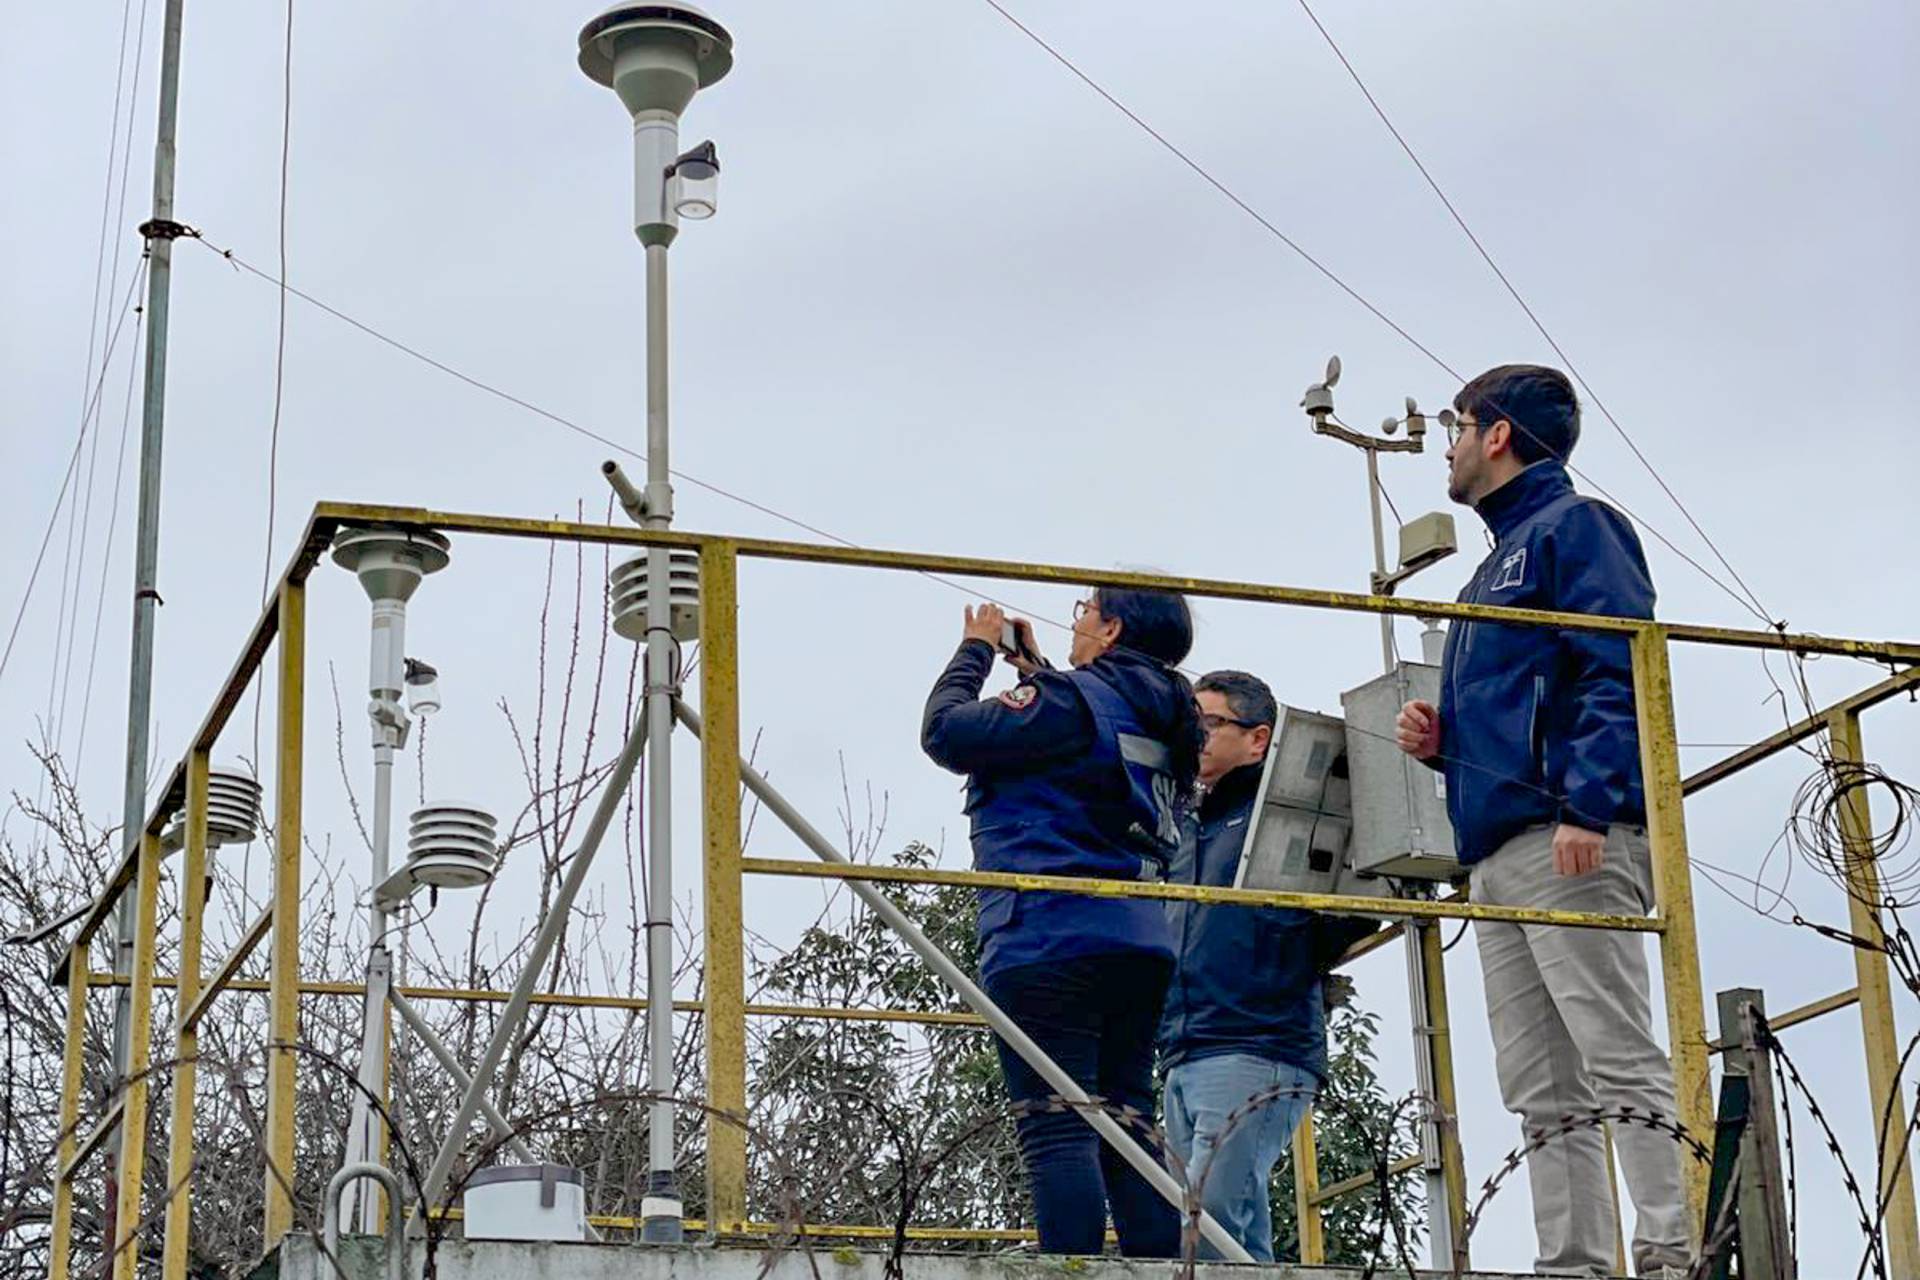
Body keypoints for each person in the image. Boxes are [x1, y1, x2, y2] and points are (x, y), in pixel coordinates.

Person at [1394, 364, 1690, 1278]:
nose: (1444, 444)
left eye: (1456, 425)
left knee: (1614, 1055)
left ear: (1497, 434)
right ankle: (1575, 1263)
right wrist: (1447, 744)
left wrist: (1588, 805)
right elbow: (1534, 698)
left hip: (1573, 836)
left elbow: (1613, 666)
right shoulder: (1489, 567)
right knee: (1539, 1084)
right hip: (1501, 845)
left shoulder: (1577, 528)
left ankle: (1674, 1252)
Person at [921, 586, 1202, 1257]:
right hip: (1138, 937)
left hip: (1049, 932)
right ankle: (1161, 1269)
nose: (1075, 622)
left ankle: (1070, 1271)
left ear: (1112, 629)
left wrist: (975, 651)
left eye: (1085, 611)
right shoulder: (1170, 715)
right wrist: (1042, 678)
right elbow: (1091, 760)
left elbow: (945, 732)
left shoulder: (1072, 702)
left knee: (1057, 1124)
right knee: (1125, 1118)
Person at [1159, 670, 1376, 1262]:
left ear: (1258, 740)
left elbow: (1356, 907)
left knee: (1206, 1221)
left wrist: (1286, 948)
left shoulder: (1292, 820)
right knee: (1230, 1229)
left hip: (1256, 1041)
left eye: (1209, 722)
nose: (1193, 735)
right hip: (1185, 1044)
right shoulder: (1185, 825)